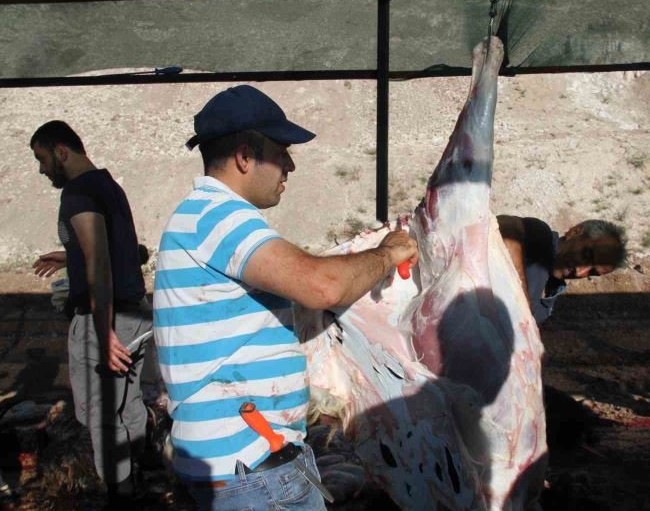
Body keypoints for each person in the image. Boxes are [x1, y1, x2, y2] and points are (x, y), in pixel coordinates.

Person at [153, 85, 418, 510]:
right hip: (250, 472)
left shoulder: (202, 216)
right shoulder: (219, 216)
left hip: (242, 464)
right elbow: (320, 286)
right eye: (281, 152)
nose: (289, 166)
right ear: (244, 157)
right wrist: (387, 254)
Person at [30, 121, 153, 505]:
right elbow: (120, 249)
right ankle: (143, 478)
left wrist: (103, 333)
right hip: (135, 314)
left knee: (100, 416)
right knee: (129, 404)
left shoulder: (77, 192)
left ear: (62, 152)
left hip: (106, 318)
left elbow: (99, 262)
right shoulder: (107, 186)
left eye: (42, 158)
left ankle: (122, 496)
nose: (42, 169)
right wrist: (68, 256)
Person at [497, 216, 627, 324]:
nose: (579, 272)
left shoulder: (547, 304)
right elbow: (506, 225)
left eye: (592, 273)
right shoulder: (541, 237)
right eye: (587, 255)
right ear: (575, 232)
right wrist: (521, 295)